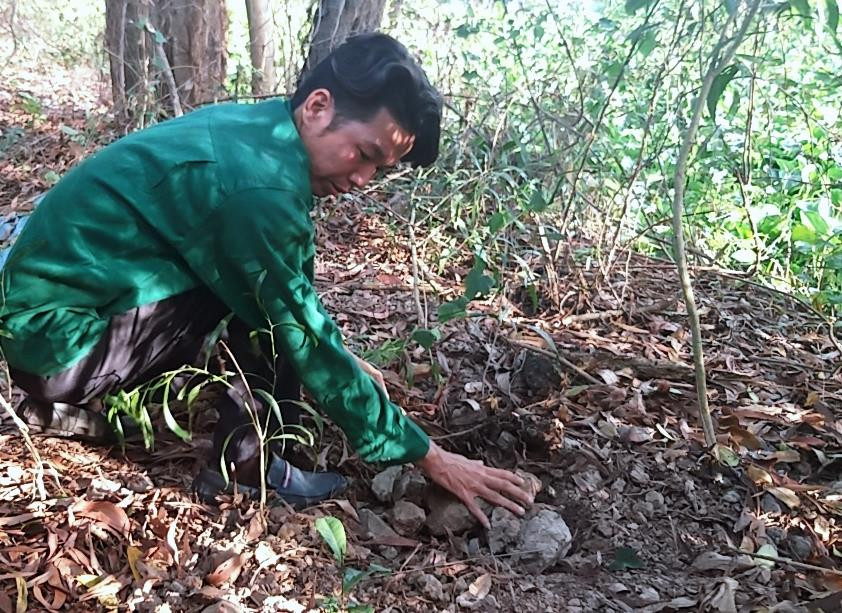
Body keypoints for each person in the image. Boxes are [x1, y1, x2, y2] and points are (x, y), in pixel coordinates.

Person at [0, 33, 532, 526]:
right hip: (62, 344)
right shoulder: (260, 188)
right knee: (269, 316)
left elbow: (297, 291)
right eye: (365, 154)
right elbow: (296, 323)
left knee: (270, 303)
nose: (362, 179)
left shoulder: (258, 133)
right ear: (318, 105)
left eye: (380, 169)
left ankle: (92, 411)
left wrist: (341, 359)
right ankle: (244, 470)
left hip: (50, 321)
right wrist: (429, 455)